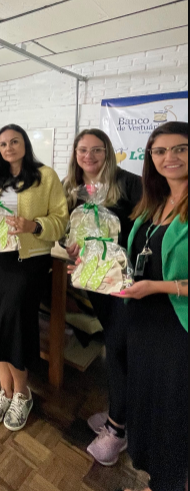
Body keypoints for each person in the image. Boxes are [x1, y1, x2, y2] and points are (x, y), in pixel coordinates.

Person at [0, 125, 68, 431]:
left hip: (27, 262)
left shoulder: (46, 176)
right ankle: (5, 391)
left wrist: (33, 226)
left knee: (16, 324)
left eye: (14, 141)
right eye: (2, 143)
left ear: (24, 144)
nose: (8, 147)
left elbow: (61, 220)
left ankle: (23, 393)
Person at [63, 129, 142, 466]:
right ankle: (118, 414)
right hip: (95, 281)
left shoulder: (129, 183)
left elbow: (144, 229)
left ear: (108, 152)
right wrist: (72, 250)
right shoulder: (73, 190)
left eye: (97, 150)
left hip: (125, 283)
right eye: (83, 150)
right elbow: (74, 235)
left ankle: (118, 430)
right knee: (113, 343)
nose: (89, 156)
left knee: (121, 350)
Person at [117, 122, 188, 491]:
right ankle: (155, 482)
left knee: (174, 414)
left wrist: (159, 287)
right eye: (159, 151)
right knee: (149, 405)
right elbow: (138, 258)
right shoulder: (155, 201)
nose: (169, 157)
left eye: (180, 149)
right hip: (143, 322)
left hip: (178, 326)